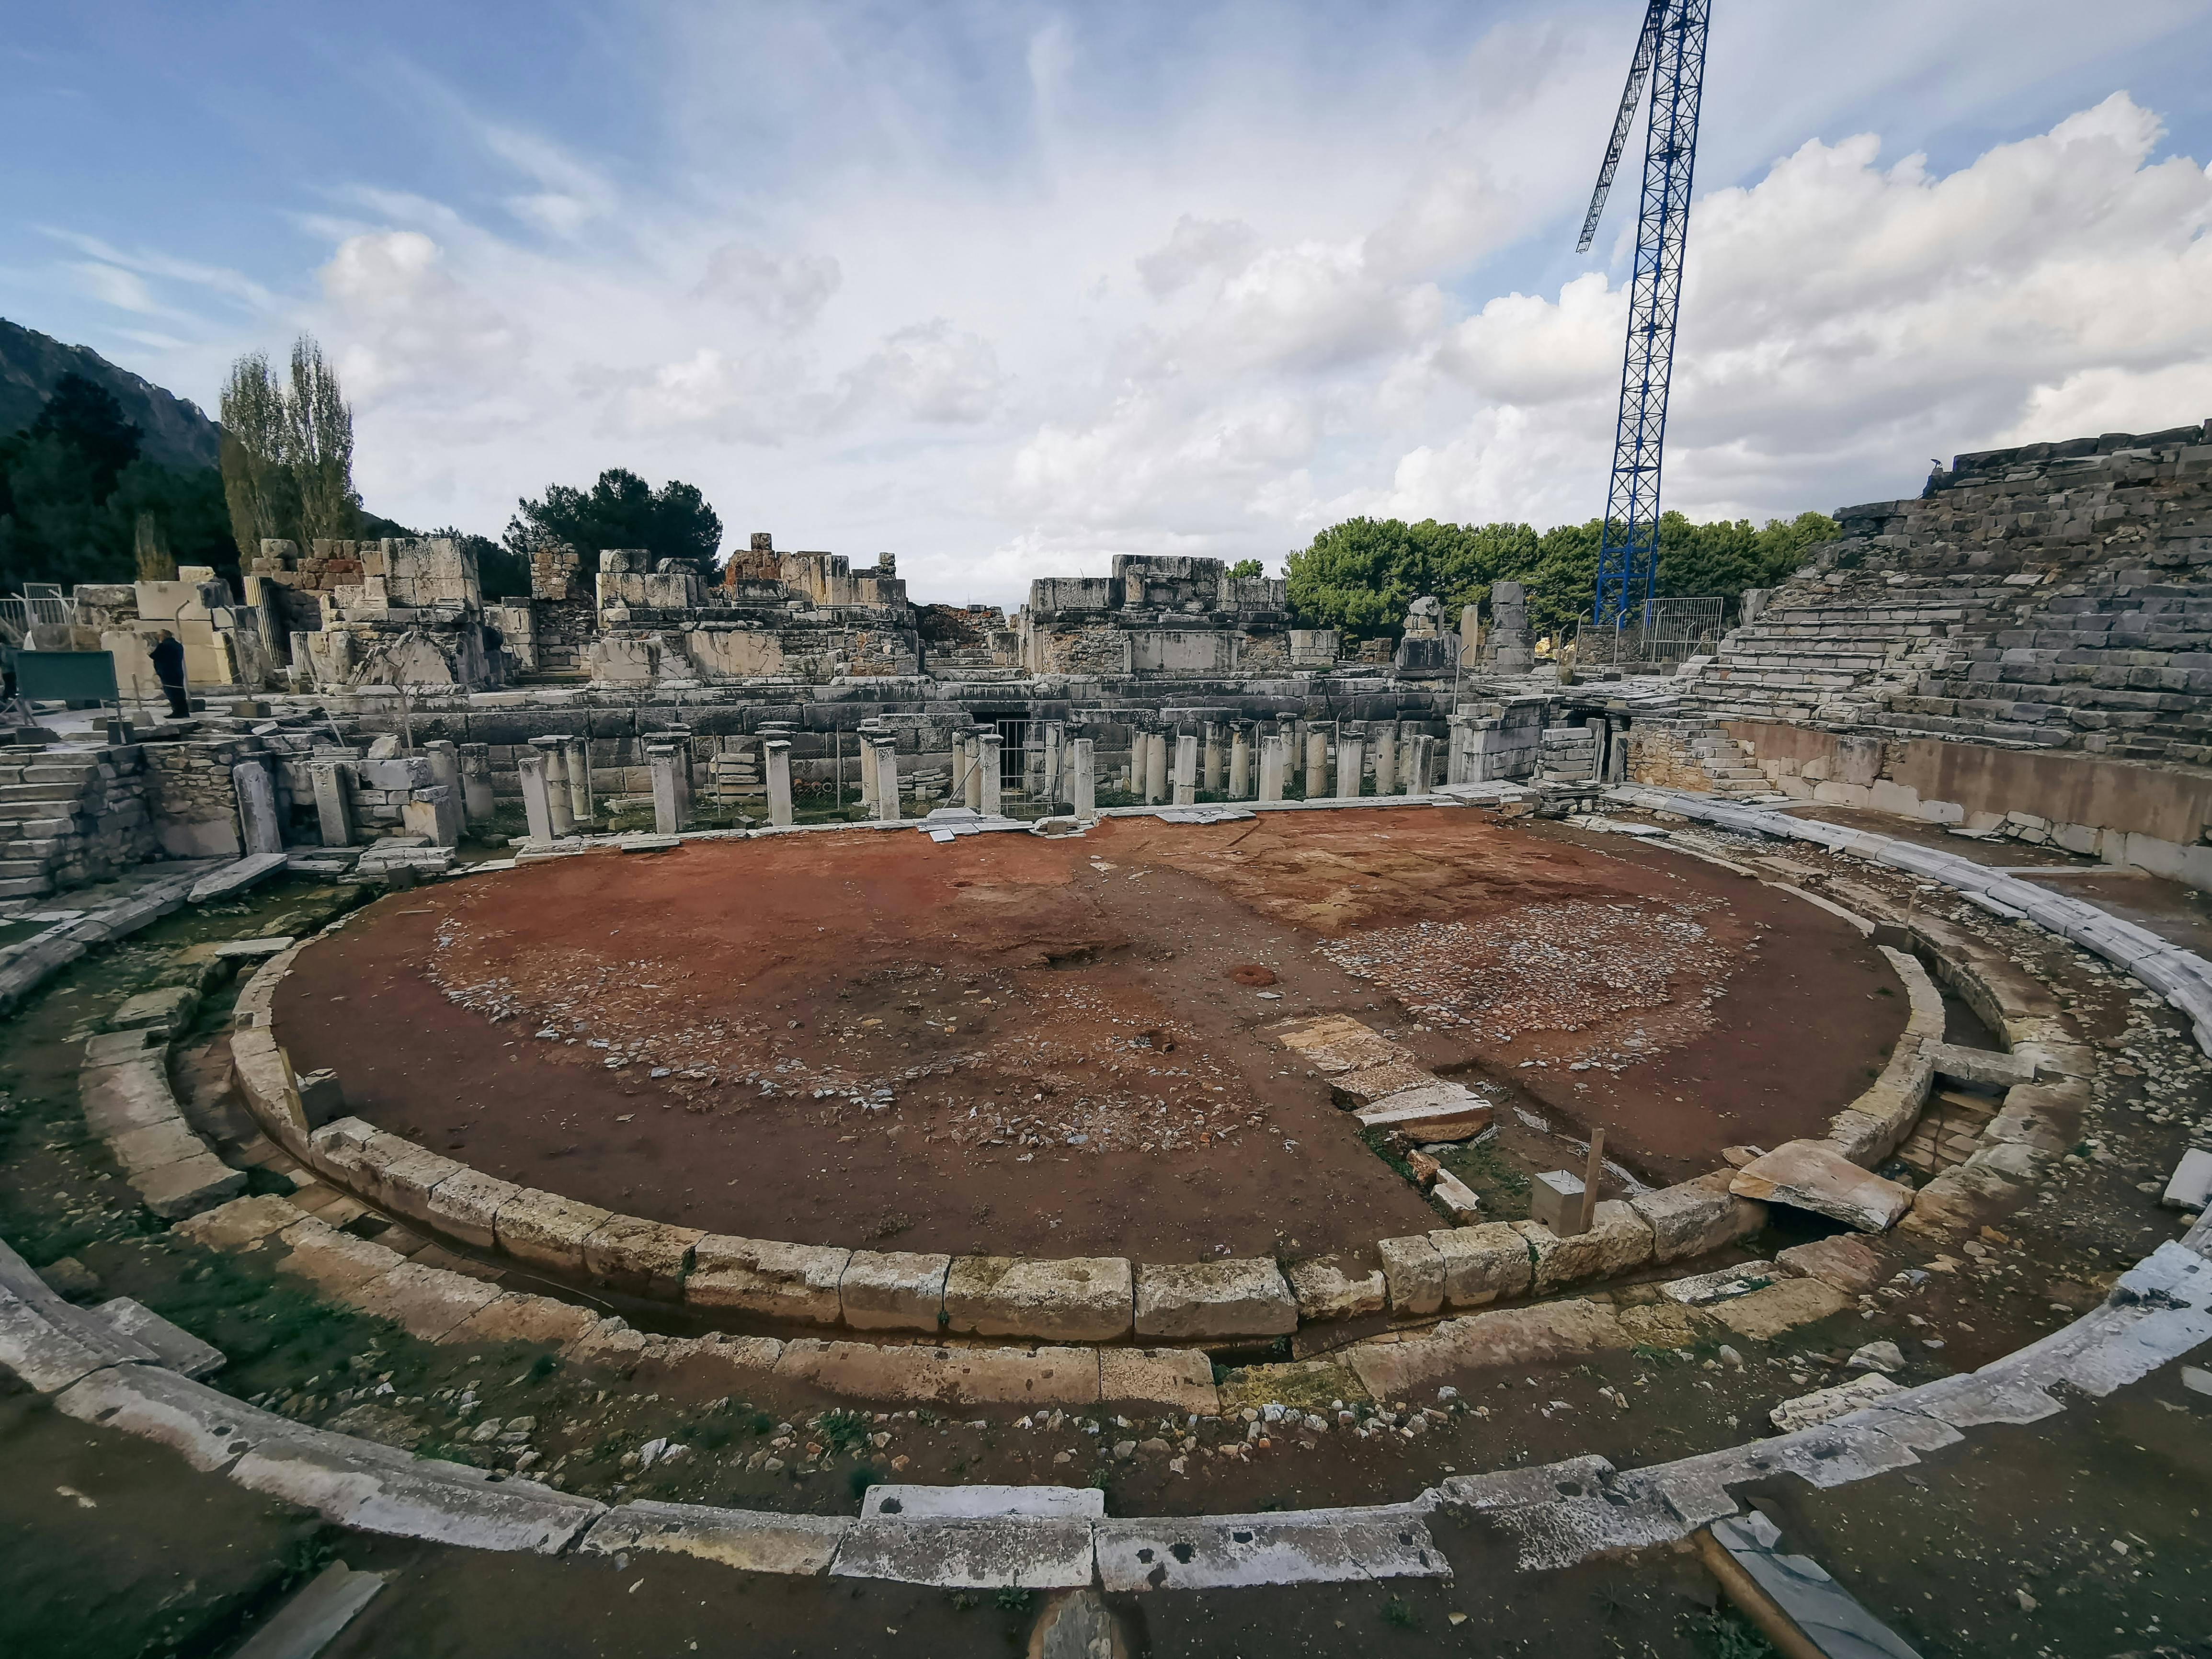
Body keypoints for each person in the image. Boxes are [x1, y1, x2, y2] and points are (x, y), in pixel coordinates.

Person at [149, 629, 188, 718]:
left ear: (162, 636)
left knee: (172, 693)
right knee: (180, 692)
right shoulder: (178, 645)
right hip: (177, 672)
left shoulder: (164, 646)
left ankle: (177, 712)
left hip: (167, 673)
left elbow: (154, 656)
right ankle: (184, 711)